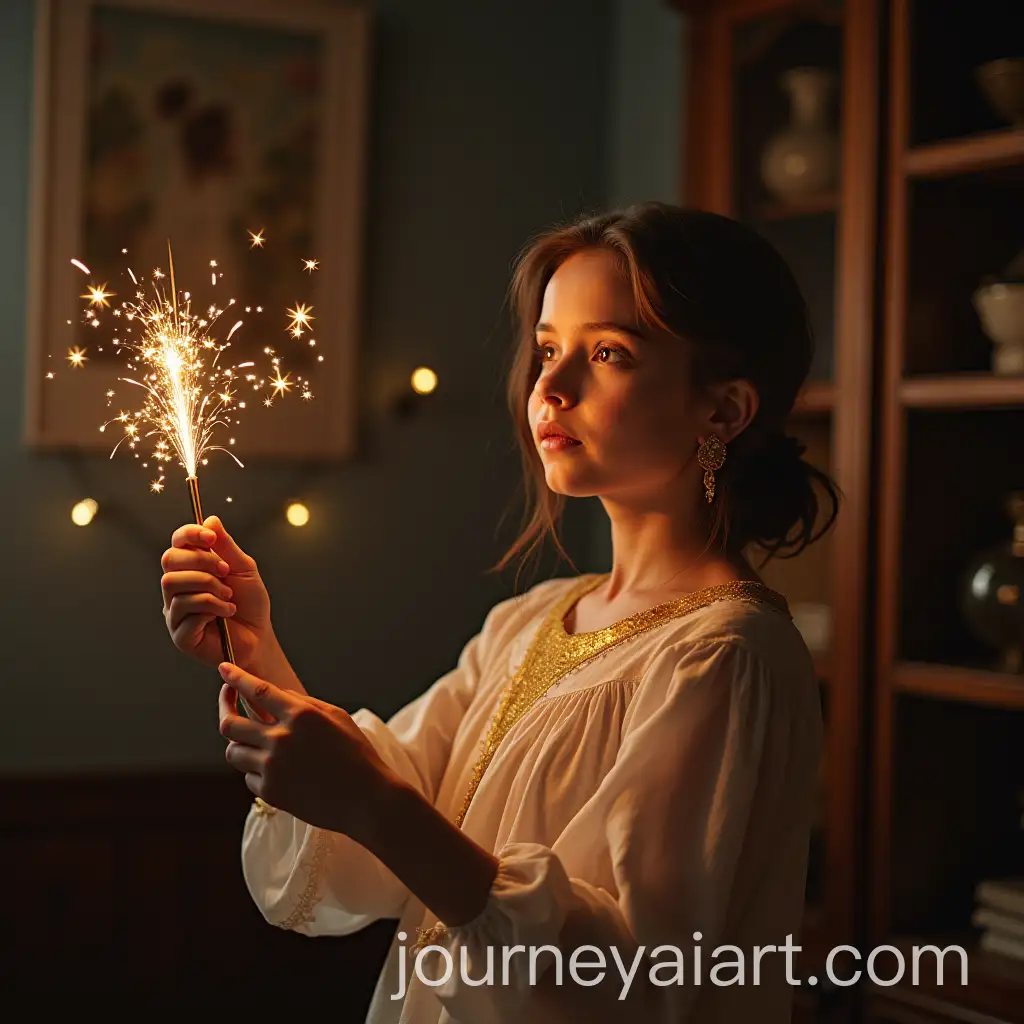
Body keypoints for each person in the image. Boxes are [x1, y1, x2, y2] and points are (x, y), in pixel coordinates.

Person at [159, 202, 836, 1023]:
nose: (550, 385)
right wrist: (260, 654)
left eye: (609, 353)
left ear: (722, 410)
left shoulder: (727, 656)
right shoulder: (531, 622)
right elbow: (374, 838)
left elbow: (634, 982)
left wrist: (375, 802)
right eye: (548, 349)